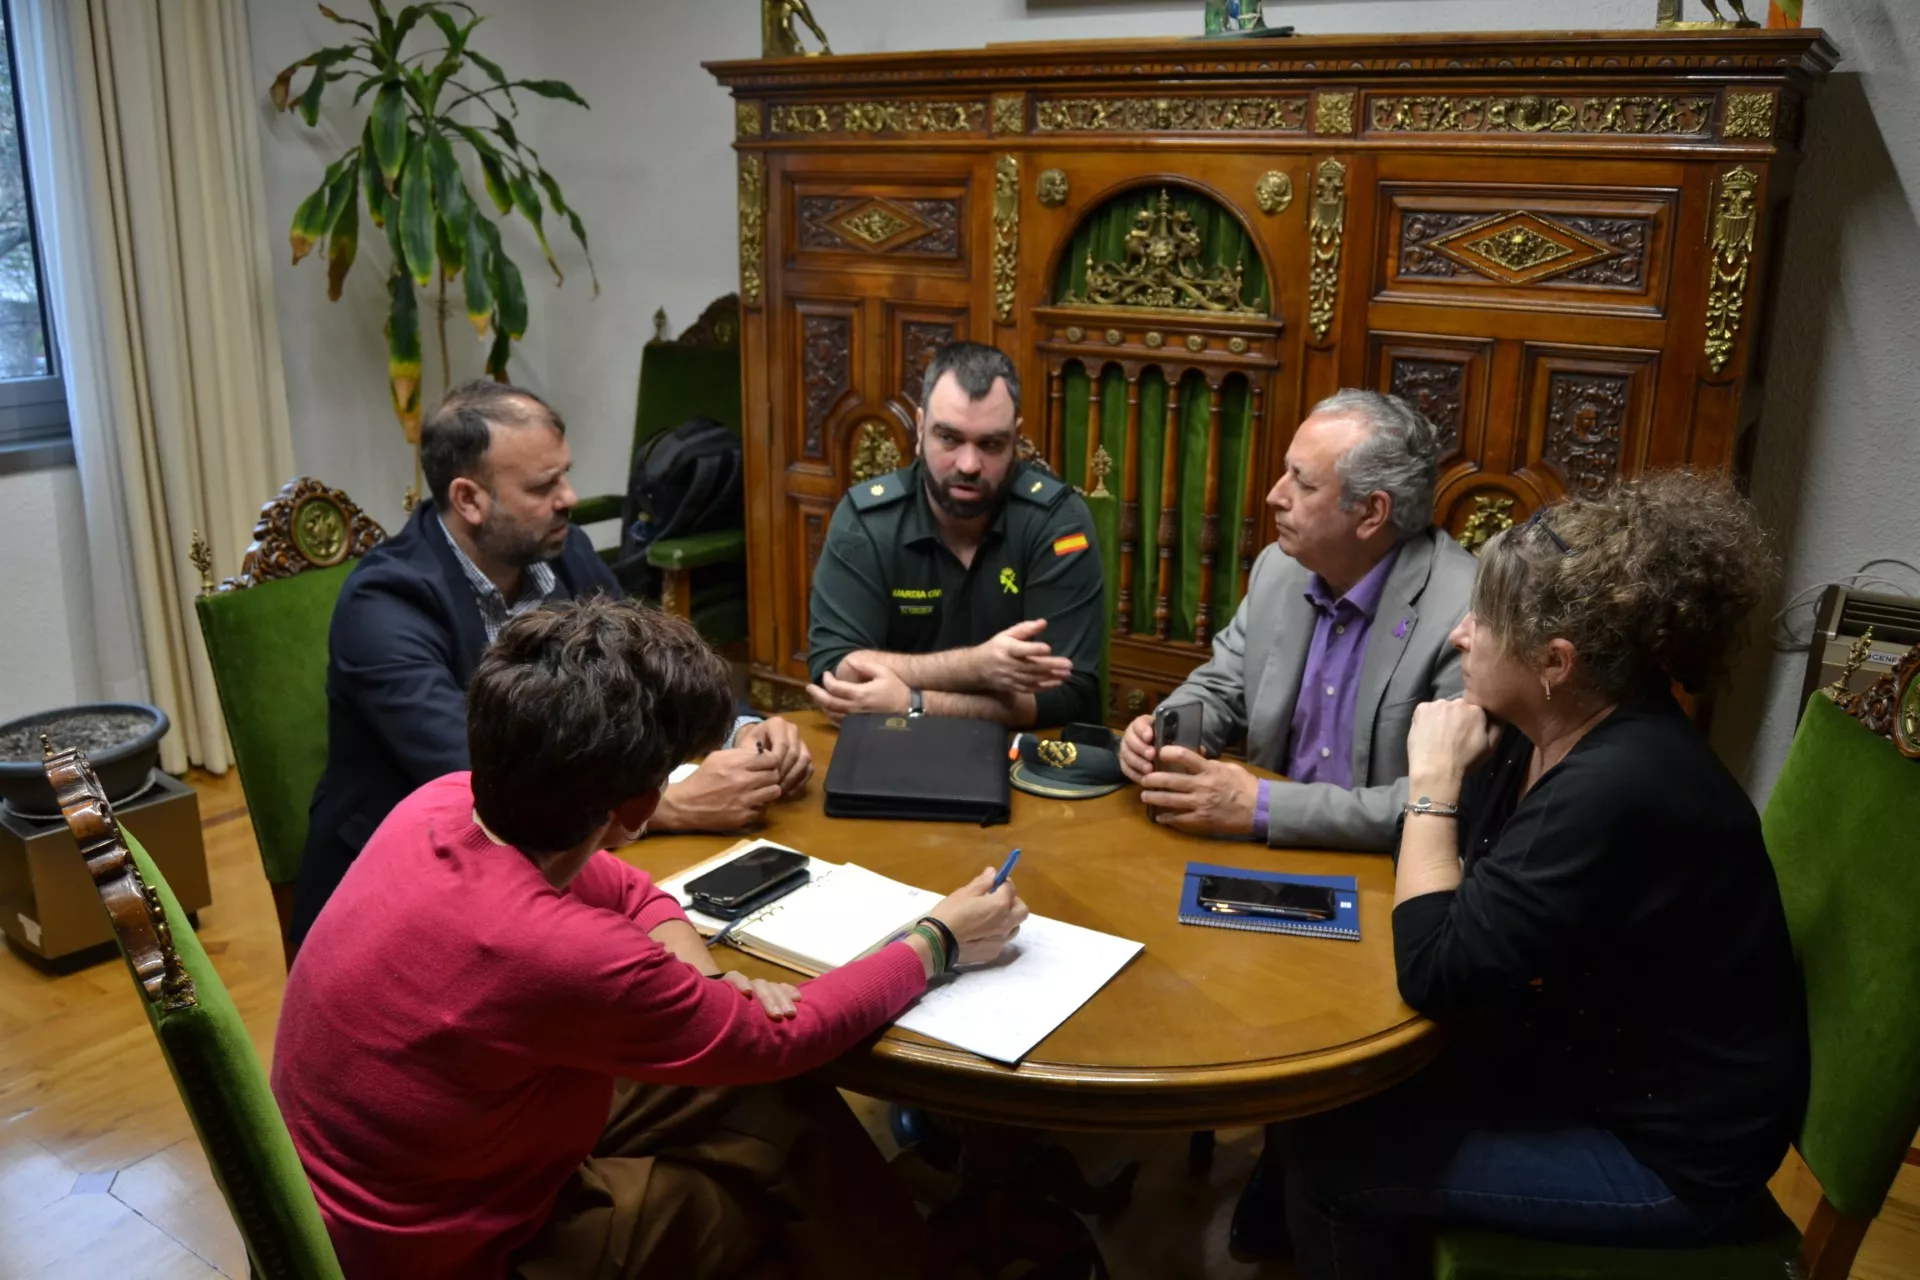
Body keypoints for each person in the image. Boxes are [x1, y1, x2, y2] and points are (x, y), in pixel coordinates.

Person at [272, 596, 1029, 1280]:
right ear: (637, 805)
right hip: (456, 1255)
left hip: (405, 1184)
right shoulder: (559, 952)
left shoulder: (445, 803)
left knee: (778, 1110)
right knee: (770, 1197)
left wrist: (703, 987)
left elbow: (628, 887)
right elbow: (783, 1037)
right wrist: (937, 940)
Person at [1275, 473, 1808, 1278]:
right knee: (1319, 1101)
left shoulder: (1617, 784)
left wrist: (1430, 787)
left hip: (1667, 1157)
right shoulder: (1544, 727)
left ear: (1556, 661)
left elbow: (1433, 969)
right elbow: (1454, 902)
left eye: (1483, 621)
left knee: (1336, 1158)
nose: (1458, 635)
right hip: (1585, 1069)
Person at [293, 380, 810, 948]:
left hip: (554, 859)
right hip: (400, 898)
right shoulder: (386, 604)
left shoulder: (561, 550)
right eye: (544, 485)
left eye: (563, 474)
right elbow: (476, 772)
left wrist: (740, 729)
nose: (569, 497)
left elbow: (655, 665)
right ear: (469, 499)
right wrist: (667, 807)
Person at [1118, 389, 1476, 851]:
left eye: (1303, 484)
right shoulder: (1279, 569)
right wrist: (1161, 733)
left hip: (1385, 875)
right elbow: (1219, 688)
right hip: (1264, 859)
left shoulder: (1465, 613)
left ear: (1372, 512)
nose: (1274, 495)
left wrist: (1264, 806)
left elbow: (1445, 804)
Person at [805, 341, 1105, 728]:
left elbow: (1067, 695)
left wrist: (914, 702)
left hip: (1021, 759)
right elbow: (836, 672)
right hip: (891, 748)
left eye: (990, 444)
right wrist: (976, 667)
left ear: (1016, 438)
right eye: (949, 437)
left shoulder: (1057, 524)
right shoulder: (867, 520)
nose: (968, 464)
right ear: (919, 428)